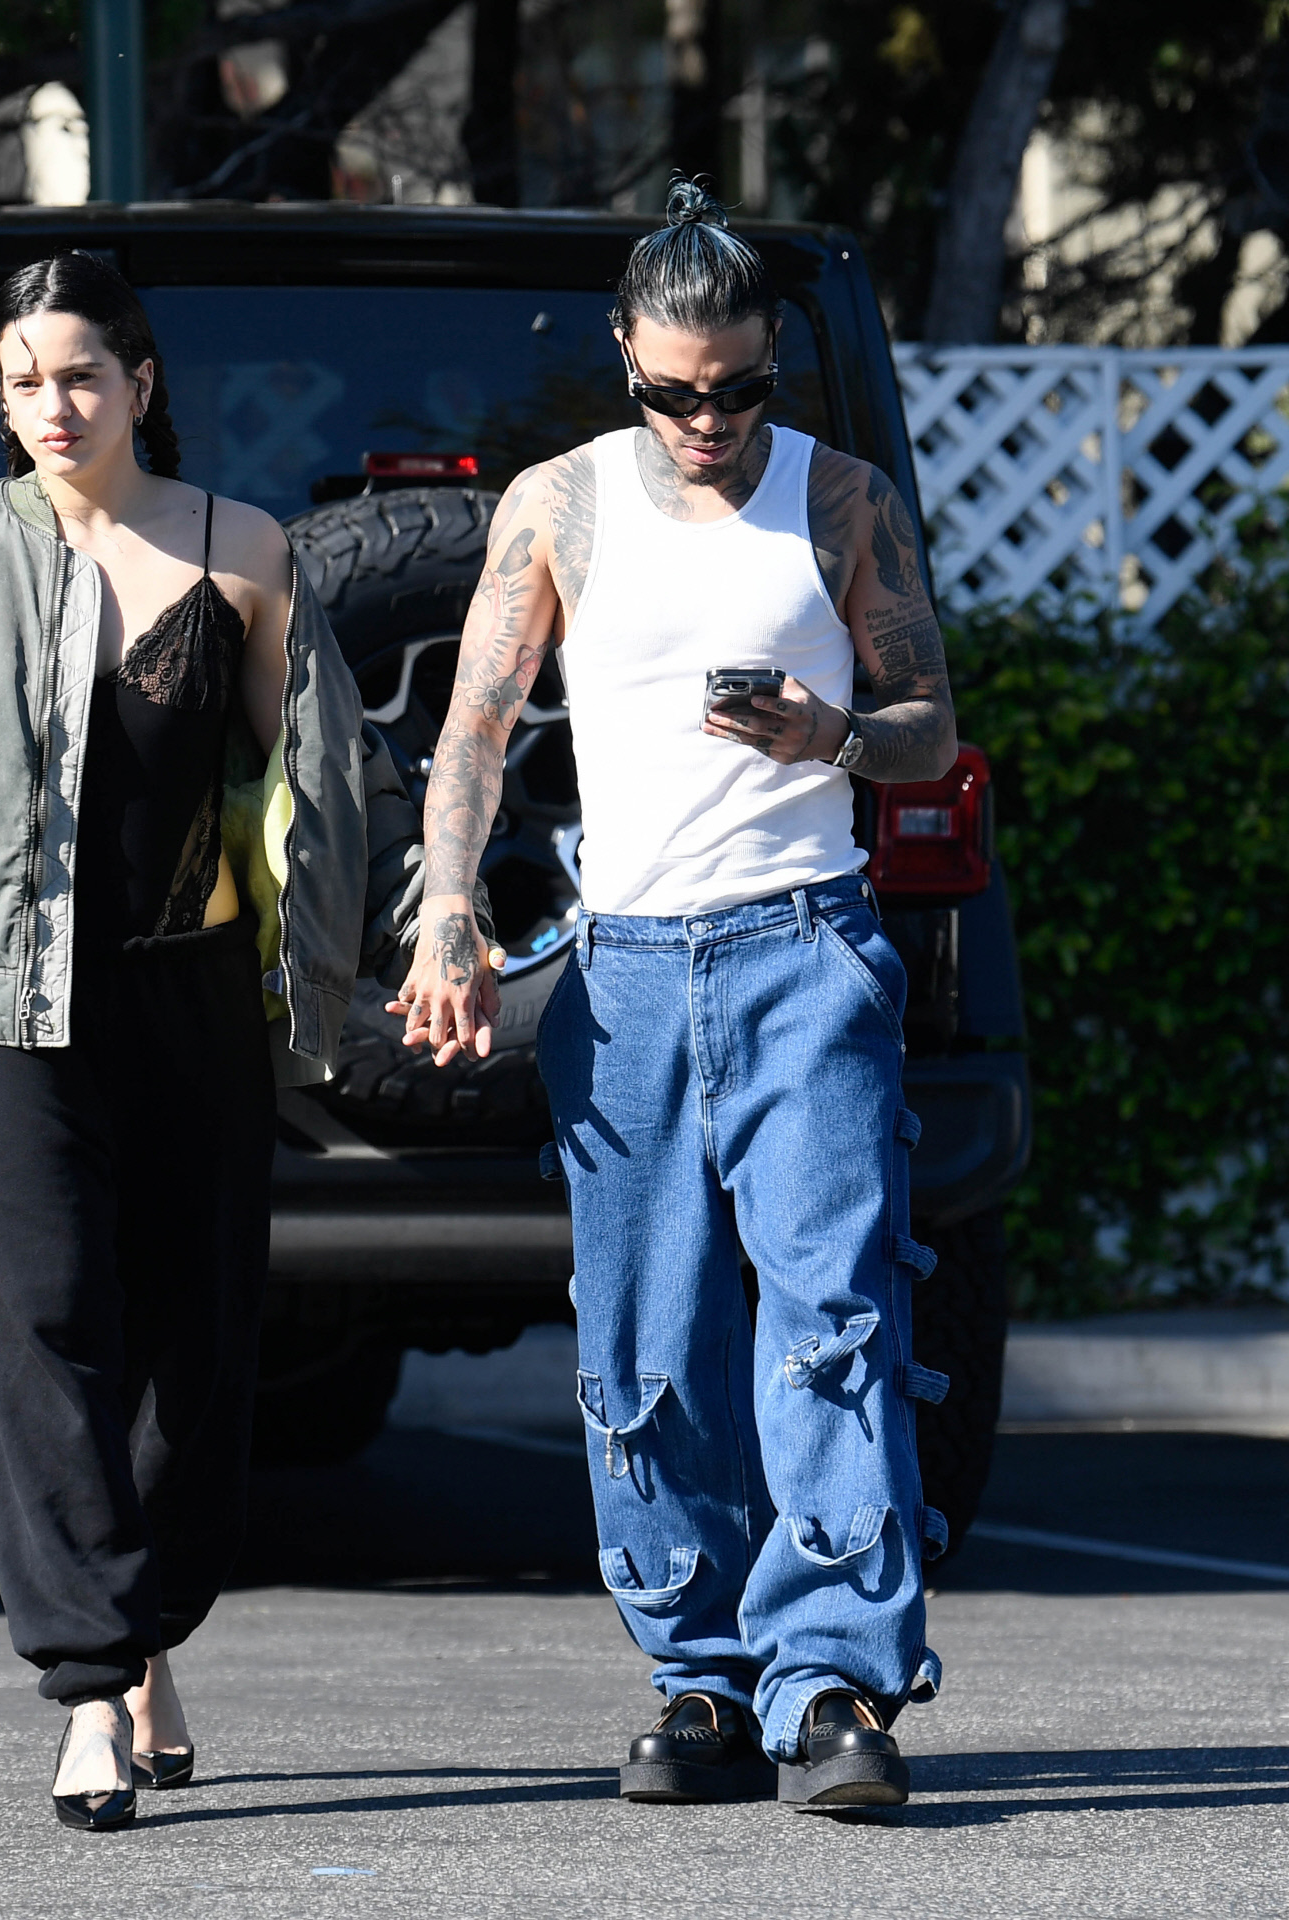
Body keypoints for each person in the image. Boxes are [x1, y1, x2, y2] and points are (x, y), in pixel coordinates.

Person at [0, 252, 427, 1832]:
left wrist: (387, 955)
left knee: (195, 1344)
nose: (54, 405)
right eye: (24, 378)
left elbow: (326, 789)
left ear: (142, 383)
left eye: (83, 374)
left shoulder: (243, 552)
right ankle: (83, 1683)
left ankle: (147, 1638)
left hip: (186, 996)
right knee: (46, 1330)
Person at [391, 175, 956, 1814]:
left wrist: (831, 737)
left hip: (804, 950)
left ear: (772, 355)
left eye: (741, 388)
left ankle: (836, 1682)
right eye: (675, 391)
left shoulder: (840, 500)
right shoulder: (559, 504)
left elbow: (928, 720)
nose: (710, 420)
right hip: (622, 970)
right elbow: (478, 730)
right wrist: (444, 923)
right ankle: (697, 1679)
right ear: (626, 354)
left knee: (832, 1320)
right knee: (643, 1338)